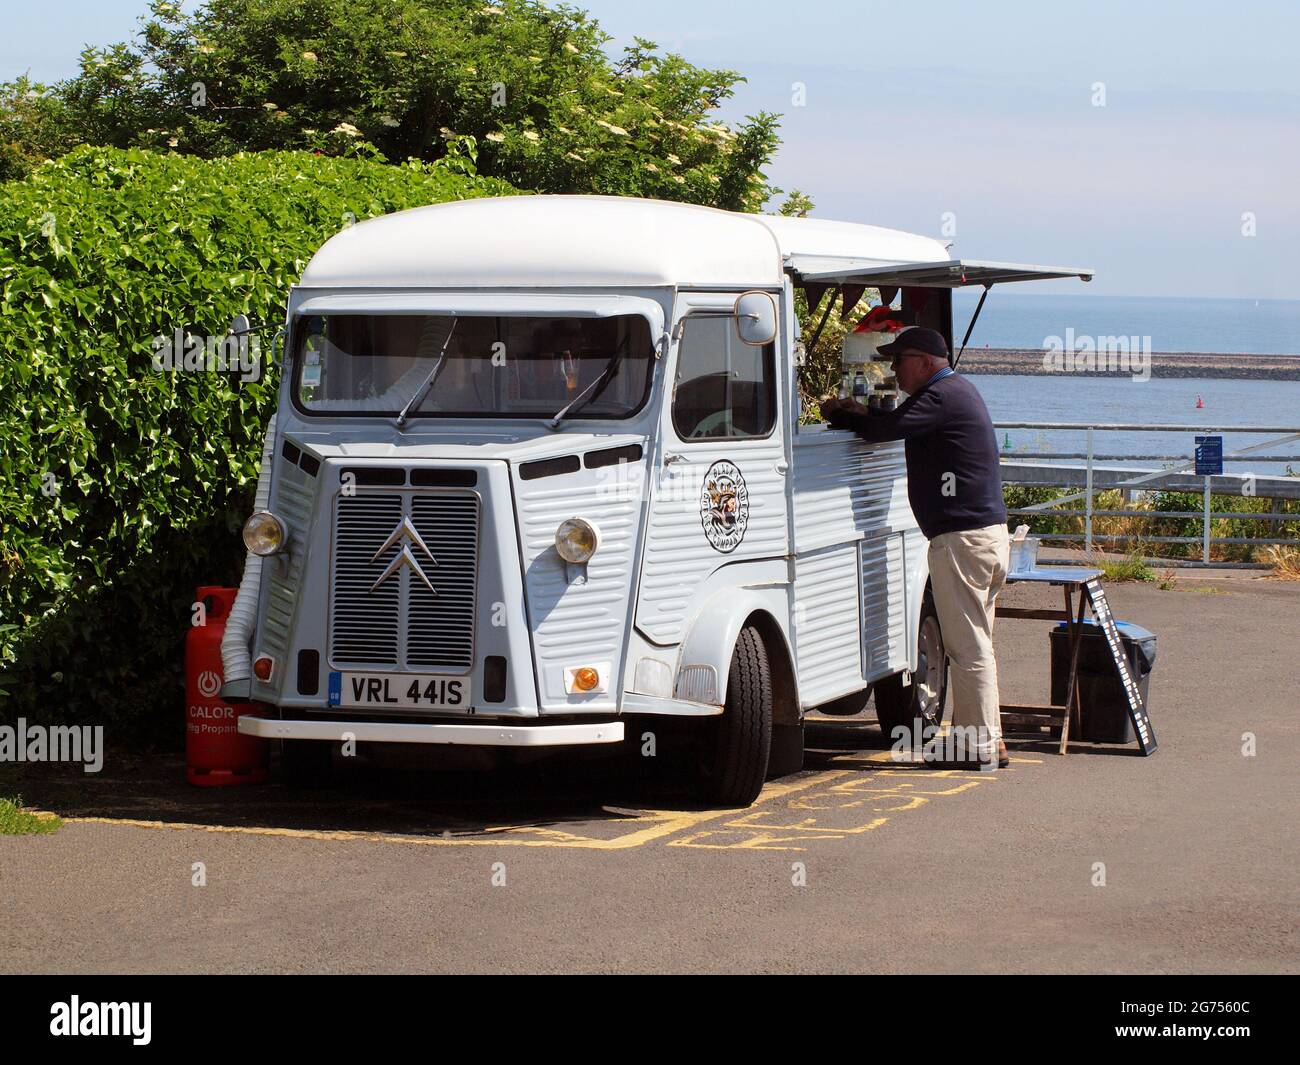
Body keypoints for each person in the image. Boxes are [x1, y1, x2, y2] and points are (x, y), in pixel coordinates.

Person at [821, 326, 1010, 770]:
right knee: (976, 643)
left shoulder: (939, 398)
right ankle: (989, 739)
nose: (892, 369)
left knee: (967, 648)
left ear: (924, 361)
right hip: (984, 536)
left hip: (962, 540)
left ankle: (976, 746)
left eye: (899, 359)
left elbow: (885, 429)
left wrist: (845, 413)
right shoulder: (957, 392)